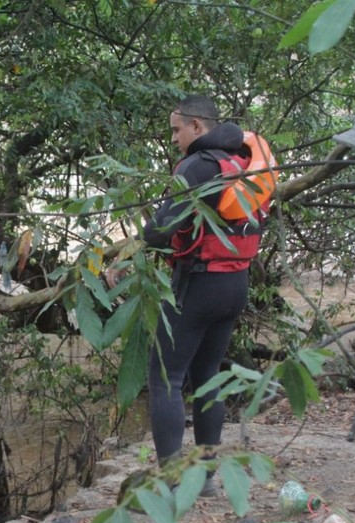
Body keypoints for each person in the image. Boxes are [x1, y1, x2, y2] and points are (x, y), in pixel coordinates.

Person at [116, 94, 274, 495]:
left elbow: (159, 230)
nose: (173, 138)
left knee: (165, 378)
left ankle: (170, 483)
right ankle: (204, 480)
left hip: (198, 284)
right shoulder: (238, 162)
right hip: (235, 284)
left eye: (176, 129)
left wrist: (129, 248)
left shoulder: (197, 165)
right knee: (207, 376)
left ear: (197, 127)